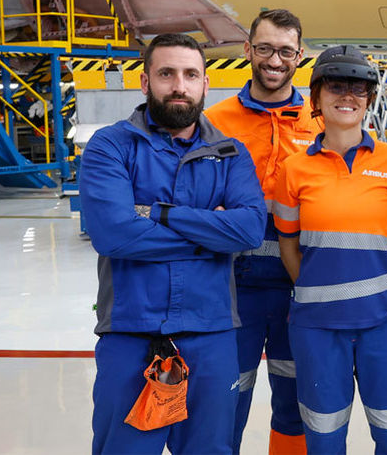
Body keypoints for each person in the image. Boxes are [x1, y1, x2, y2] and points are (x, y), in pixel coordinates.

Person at [80, 33, 267, 454]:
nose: (179, 85)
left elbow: (249, 231)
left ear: (204, 84)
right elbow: (113, 234)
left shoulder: (230, 153)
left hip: (212, 332)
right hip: (131, 331)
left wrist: (157, 213)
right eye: (166, 74)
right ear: (145, 82)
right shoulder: (110, 146)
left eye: (190, 75)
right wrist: (213, 236)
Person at [274, 46, 387, 454]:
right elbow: (288, 244)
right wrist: (315, 287)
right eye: (336, 86)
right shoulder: (294, 169)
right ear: (316, 97)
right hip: (317, 327)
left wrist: (384, 280)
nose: (348, 96)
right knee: (323, 437)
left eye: (359, 88)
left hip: (386, 322)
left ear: (370, 98)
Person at [205, 9, 320, 454]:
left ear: (299, 55)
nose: (275, 60)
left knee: (296, 403)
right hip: (233, 288)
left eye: (285, 51)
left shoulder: (321, 119)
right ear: (248, 51)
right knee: (224, 399)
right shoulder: (215, 122)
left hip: (299, 286)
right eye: (265, 48)